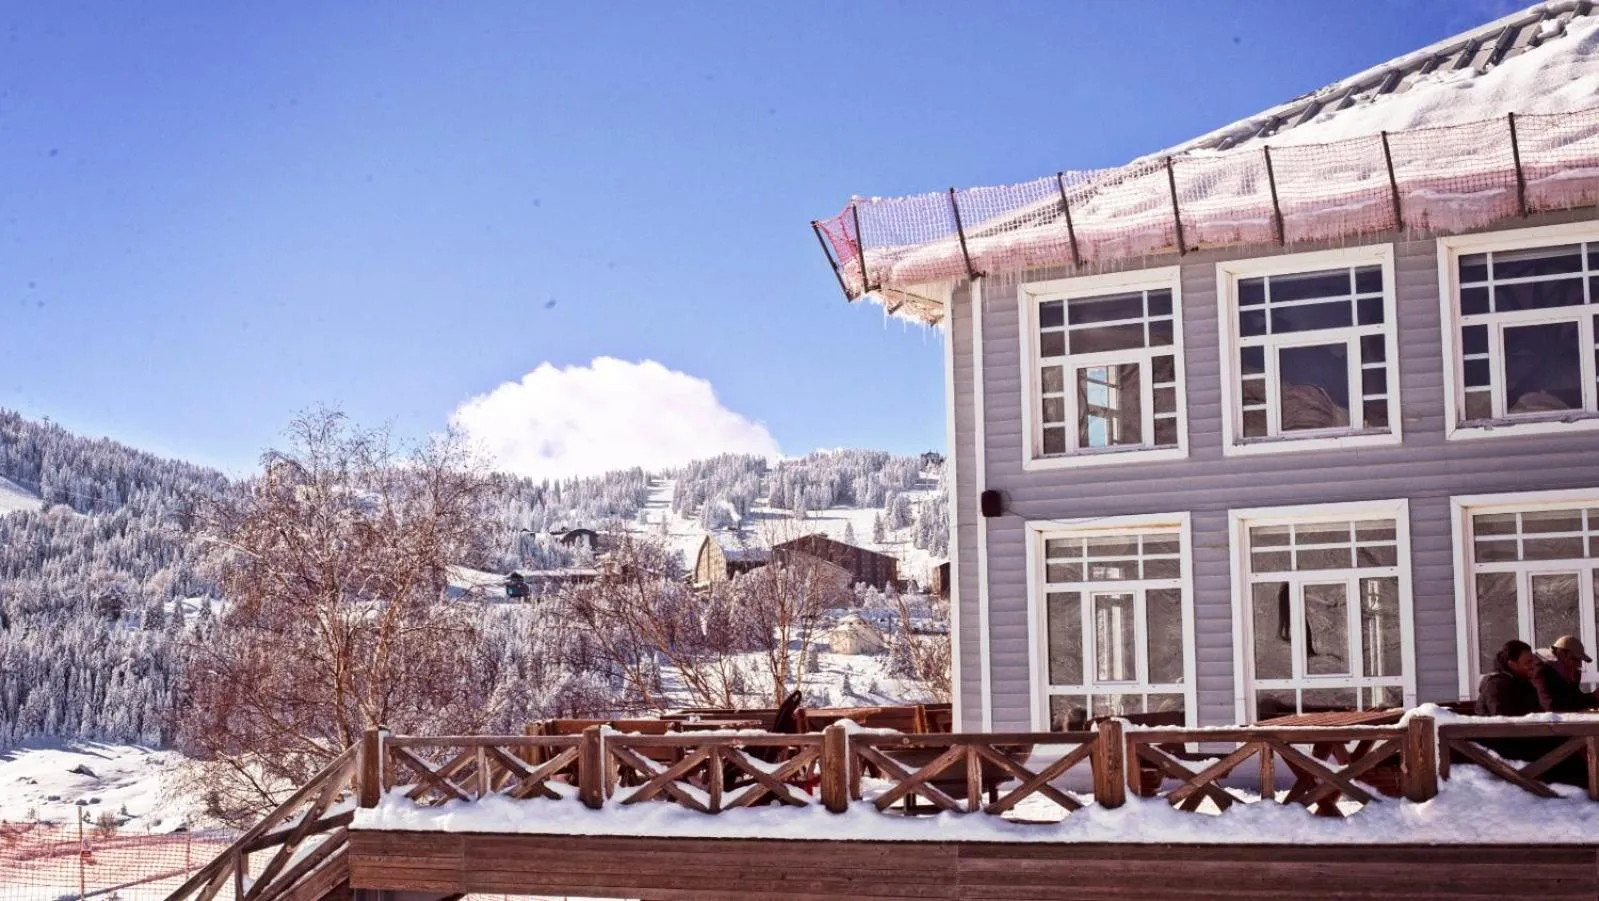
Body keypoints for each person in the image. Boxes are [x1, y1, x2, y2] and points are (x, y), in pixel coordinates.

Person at [1532, 635, 1599, 712]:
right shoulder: (1542, 673)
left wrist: (1594, 698)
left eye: (1580, 660)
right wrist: (1593, 697)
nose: (1580, 665)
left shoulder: (1567, 674)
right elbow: (1552, 706)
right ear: (1562, 654)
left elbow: (1575, 699)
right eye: (1575, 659)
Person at [1478, 639, 1542, 716]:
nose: (1533, 666)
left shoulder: (1523, 683)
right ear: (1512, 664)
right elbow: (1504, 721)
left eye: (1532, 661)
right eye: (1528, 662)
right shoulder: (1496, 686)